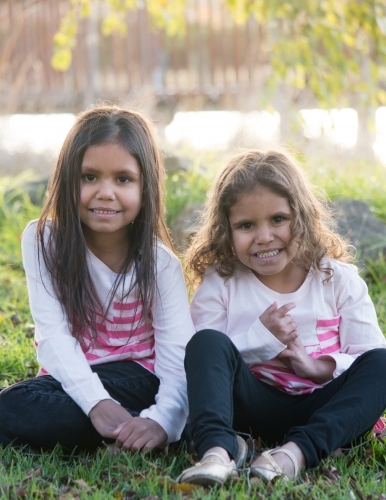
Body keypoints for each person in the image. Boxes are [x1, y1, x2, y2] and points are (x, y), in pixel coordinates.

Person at [178, 149, 386, 486]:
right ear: (226, 231)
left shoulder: (337, 279)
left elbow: (368, 353)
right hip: (248, 406)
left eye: (278, 219)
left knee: (382, 363)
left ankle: (295, 454)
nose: (264, 236)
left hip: (321, 407)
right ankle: (217, 452)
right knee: (205, 342)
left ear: (300, 216)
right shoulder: (223, 281)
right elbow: (202, 361)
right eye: (246, 225)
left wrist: (320, 367)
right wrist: (261, 339)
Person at [0, 106, 195, 452]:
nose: (105, 192)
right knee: (13, 404)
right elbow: (53, 336)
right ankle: (130, 430)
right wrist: (95, 403)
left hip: (141, 377)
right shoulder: (44, 241)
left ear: (145, 186)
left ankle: (155, 427)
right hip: (74, 379)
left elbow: (176, 355)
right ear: (67, 180)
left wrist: (163, 419)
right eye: (89, 177)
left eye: (123, 179)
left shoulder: (159, 263)